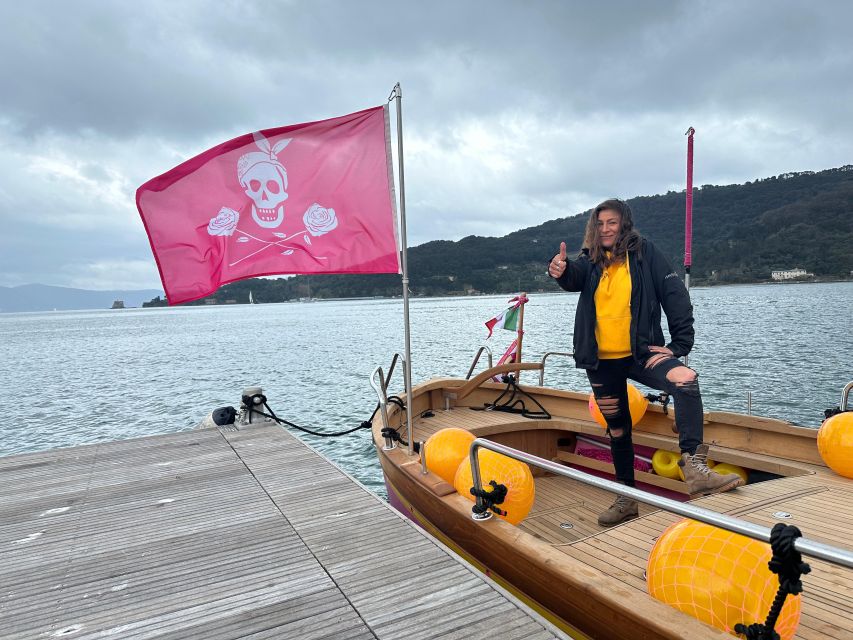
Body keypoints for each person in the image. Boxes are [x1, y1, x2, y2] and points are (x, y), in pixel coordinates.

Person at [548, 198, 743, 526]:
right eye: (600, 223)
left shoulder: (645, 253)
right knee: (618, 429)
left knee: (684, 379)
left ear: (624, 223)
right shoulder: (589, 260)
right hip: (601, 361)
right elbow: (574, 277)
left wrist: (679, 344)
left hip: (641, 353)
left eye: (612, 222)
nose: (606, 228)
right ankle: (627, 499)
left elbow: (674, 295)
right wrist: (562, 269)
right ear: (594, 229)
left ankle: (693, 467)